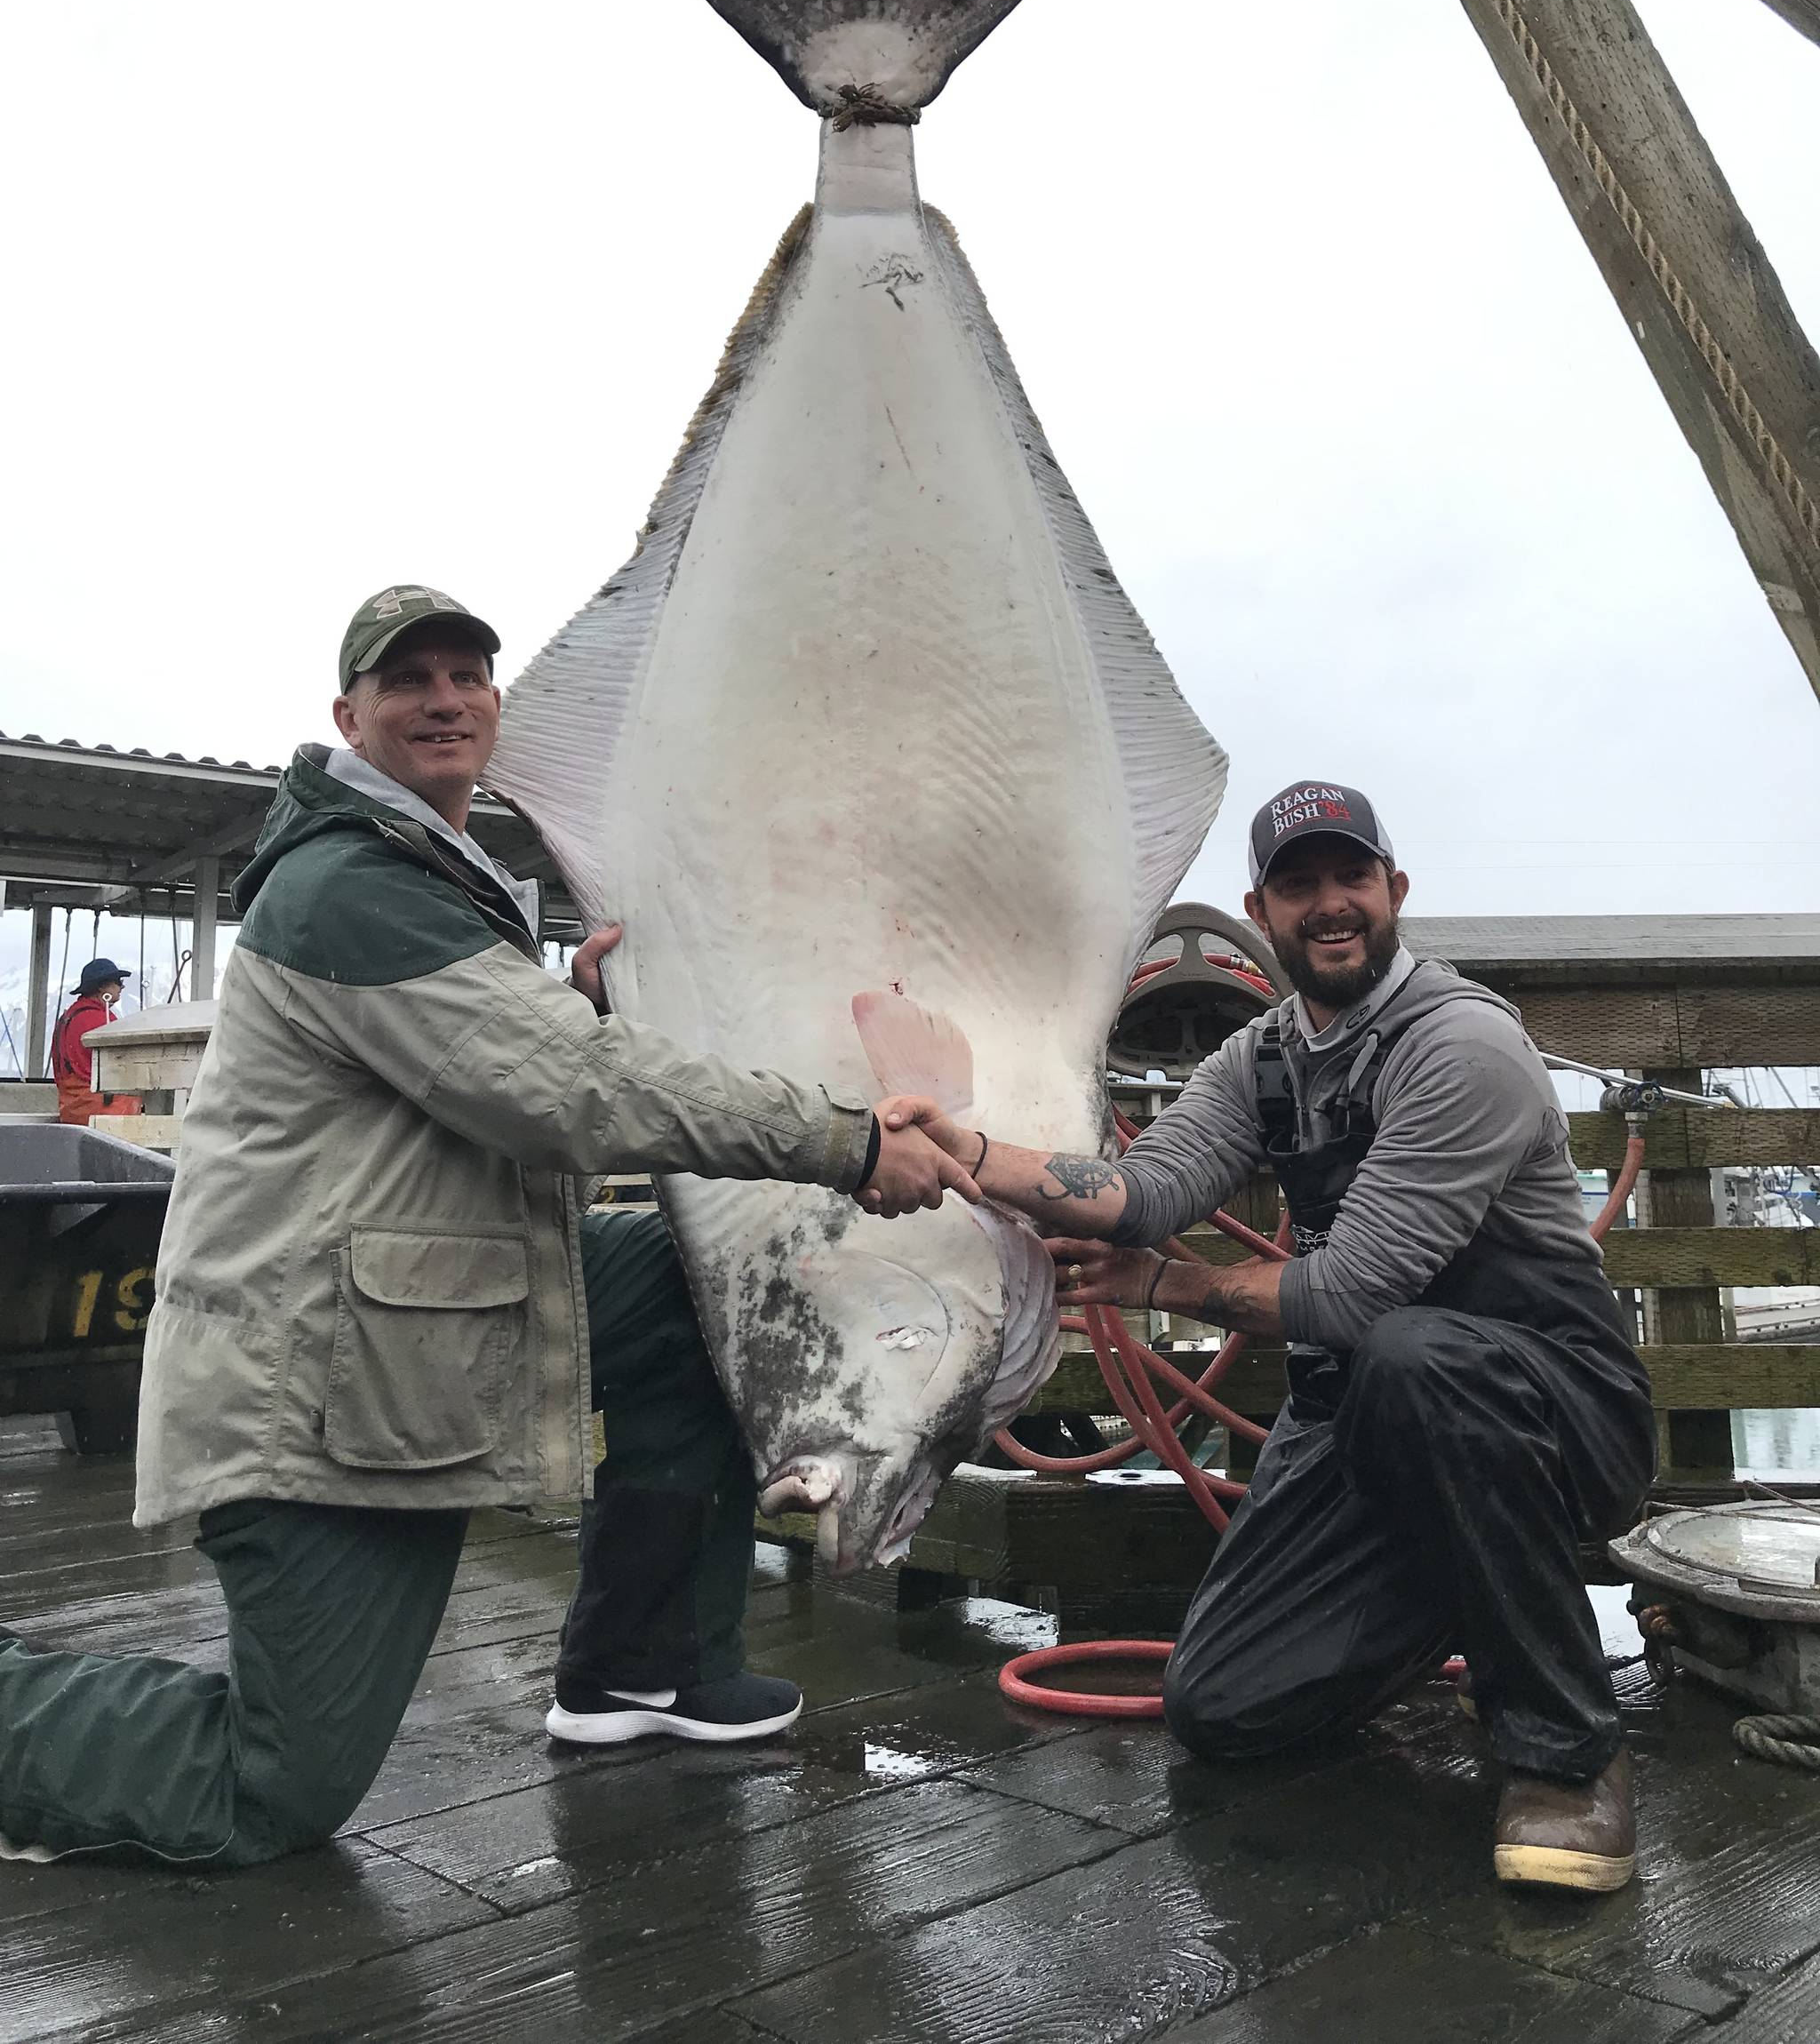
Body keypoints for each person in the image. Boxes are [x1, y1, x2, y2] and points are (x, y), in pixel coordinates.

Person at [0, 584, 975, 1868]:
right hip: (317, 1381)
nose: (445, 698)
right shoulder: (347, 883)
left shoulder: (443, 881)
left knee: (710, 1290)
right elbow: (571, 1089)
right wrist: (848, 1139)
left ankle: (643, 1667)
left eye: (467, 674)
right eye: (409, 681)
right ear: (348, 717)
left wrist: (559, 992)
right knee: (268, 1785)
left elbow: (494, 1062)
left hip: (421, 1316)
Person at [888, 779, 1655, 1895]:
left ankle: (1567, 1751)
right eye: (1297, 886)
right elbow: (1143, 1186)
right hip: (1365, 1416)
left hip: (1552, 1410)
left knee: (1406, 1353)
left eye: (1350, 877)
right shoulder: (1261, 1057)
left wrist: (1164, 1282)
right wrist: (970, 1152)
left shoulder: (1462, 1045)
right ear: (1261, 909)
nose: (1328, 904)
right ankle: (1480, 1597)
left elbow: (1347, 1294)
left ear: (1393, 890)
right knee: (1226, 1707)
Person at [49, 958, 130, 1124]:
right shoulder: (101, 1019)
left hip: (71, 1110)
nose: (122, 987)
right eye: (118, 982)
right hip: (103, 1110)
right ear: (102, 986)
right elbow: (122, 1064)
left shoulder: (67, 1017)